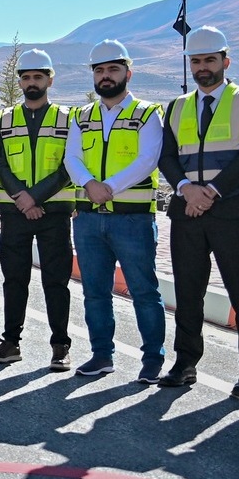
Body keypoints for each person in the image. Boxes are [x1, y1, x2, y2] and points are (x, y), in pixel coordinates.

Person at [158, 26, 239, 390]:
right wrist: (187, 190)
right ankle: (185, 363)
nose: (202, 67)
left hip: (232, 211)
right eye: (196, 61)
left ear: (225, 61)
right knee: (188, 294)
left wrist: (211, 192)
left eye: (209, 60)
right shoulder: (177, 106)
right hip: (187, 212)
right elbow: (167, 156)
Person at [65, 39, 166, 380]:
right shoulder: (81, 116)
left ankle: (152, 359)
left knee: (144, 291)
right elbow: (72, 157)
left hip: (133, 219)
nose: (106, 75)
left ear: (128, 73)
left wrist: (107, 187)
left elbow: (148, 158)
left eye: (113, 69)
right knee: (95, 292)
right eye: (100, 70)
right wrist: (89, 184)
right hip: (88, 220)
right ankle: (101, 356)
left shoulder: (147, 113)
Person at [0, 49, 77, 370]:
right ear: (20, 81)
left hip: (55, 213)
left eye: (38, 77)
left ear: (50, 79)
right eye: (26, 77)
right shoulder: (5, 118)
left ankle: (60, 345)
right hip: (14, 213)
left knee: (56, 281)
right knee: (14, 279)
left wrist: (35, 197)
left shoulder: (67, 118)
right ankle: (10, 342)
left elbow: (70, 164)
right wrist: (21, 197)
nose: (32, 83)